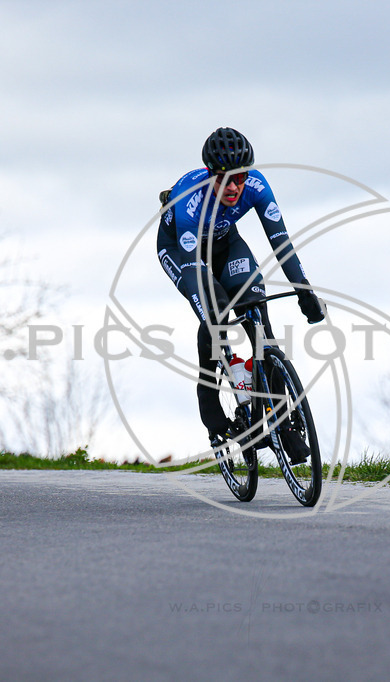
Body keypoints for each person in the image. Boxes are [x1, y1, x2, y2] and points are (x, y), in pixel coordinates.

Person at [156, 127, 324, 461]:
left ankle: (283, 421)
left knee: (259, 318)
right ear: (210, 175)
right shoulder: (190, 201)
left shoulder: (258, 187)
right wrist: (213, 313)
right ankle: (210, 399)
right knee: (216, 314)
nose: (234, 187)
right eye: (225, 180)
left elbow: (282, 244)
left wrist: (304, 292)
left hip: (224, 242)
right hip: (181, 251)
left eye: (240, 178)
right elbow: (194, 270)